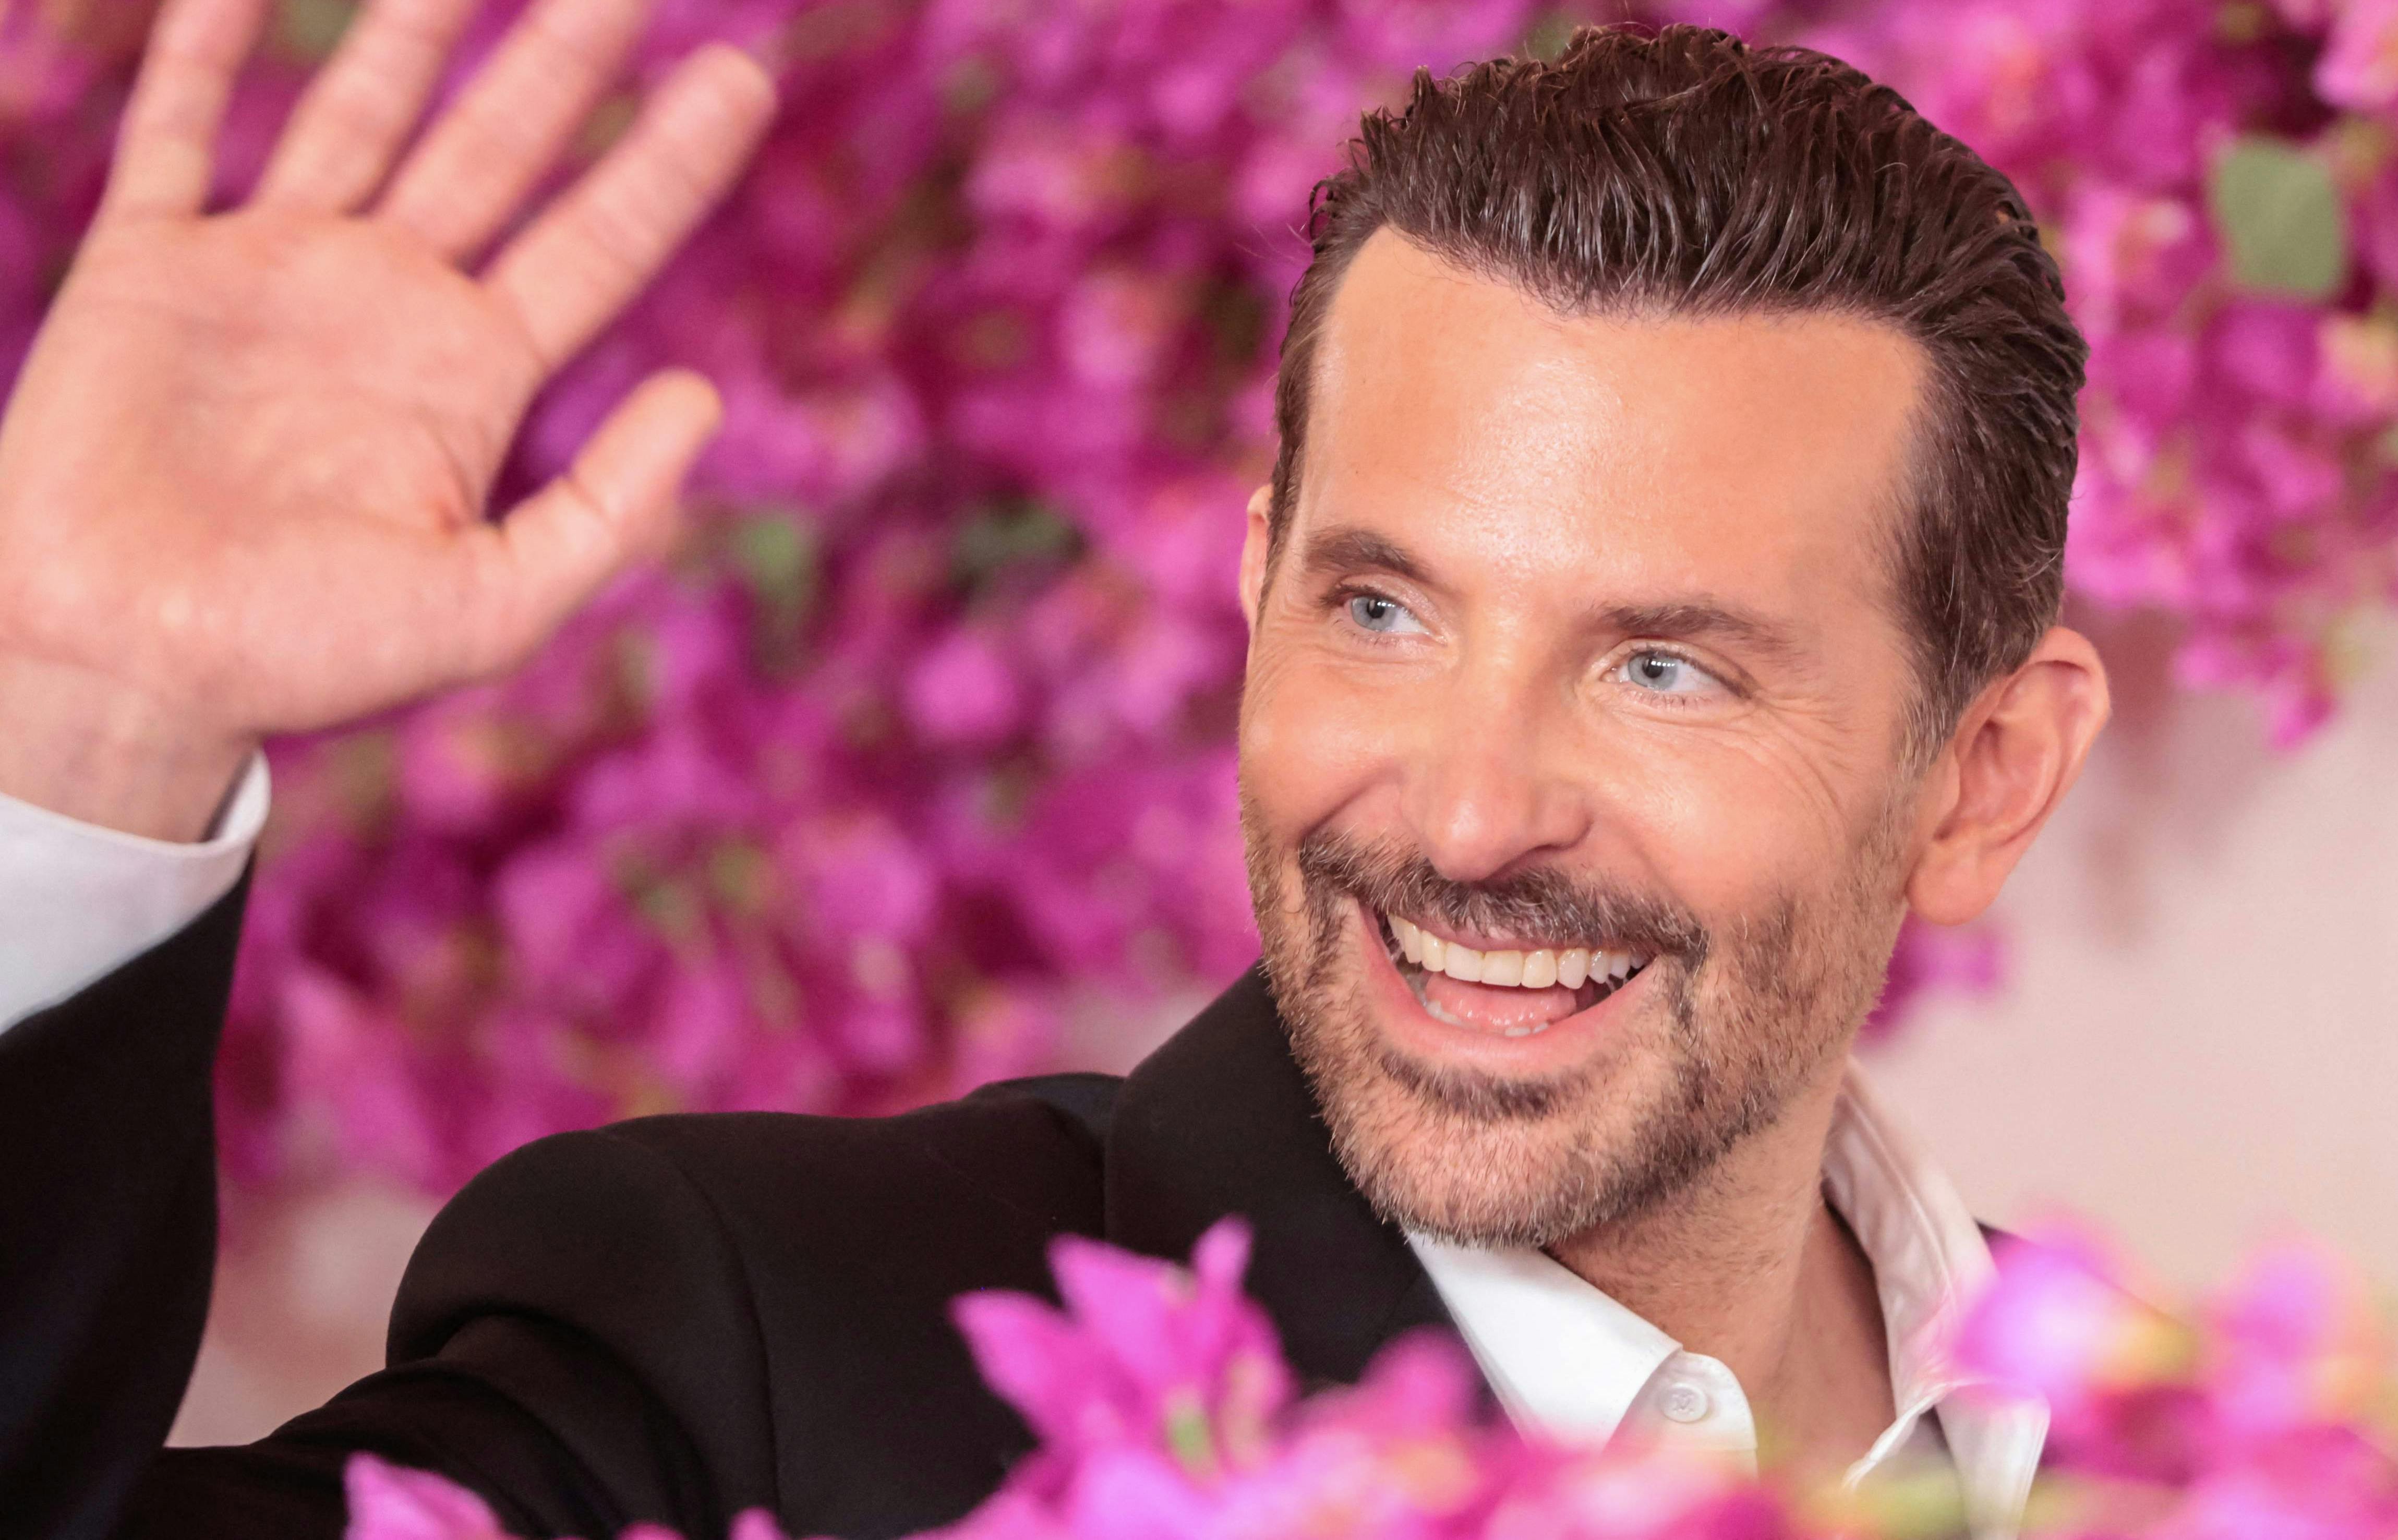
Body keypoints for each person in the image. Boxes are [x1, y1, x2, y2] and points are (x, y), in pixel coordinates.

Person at [0, 1, 2110, 1537]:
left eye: (1660, 669)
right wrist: (91, 713)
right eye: (1383, 613)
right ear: (1259, 587)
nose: (1467, 817)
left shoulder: (2160, 1448)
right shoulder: (751, 1353)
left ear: (1985, 777)